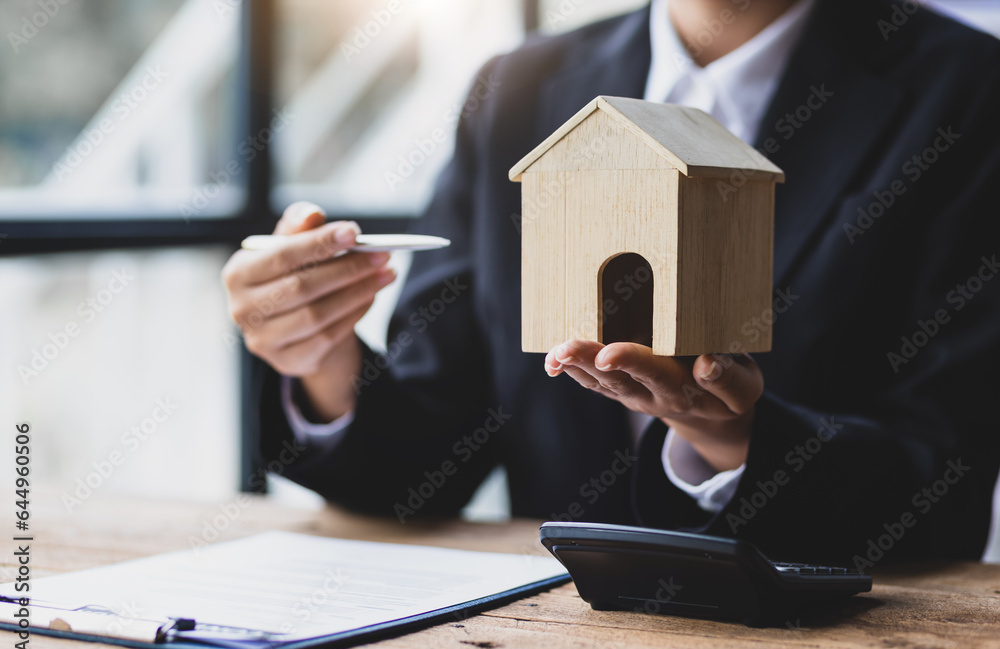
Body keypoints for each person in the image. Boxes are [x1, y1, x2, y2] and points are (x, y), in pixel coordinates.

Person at [222, 0, 1000, 567]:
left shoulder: (969, 94)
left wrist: (734, 440)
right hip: (545, 630)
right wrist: (317, 355)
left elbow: (944, 480)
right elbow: (419, 469)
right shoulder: (517, 92)